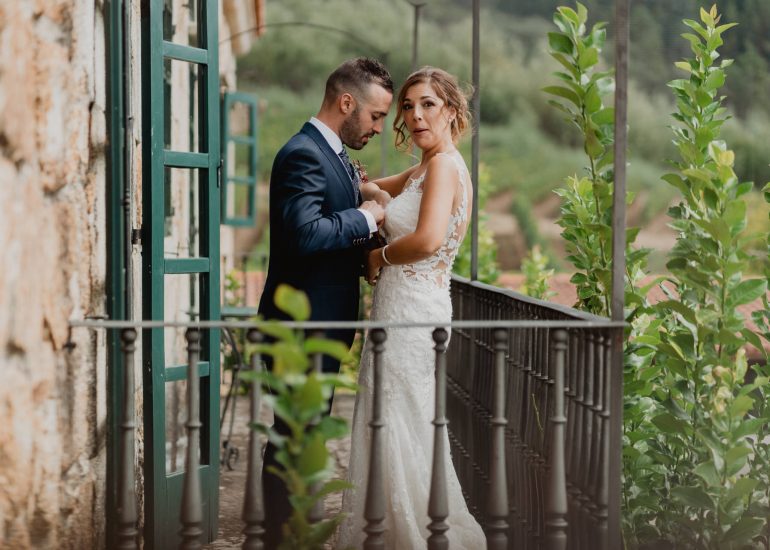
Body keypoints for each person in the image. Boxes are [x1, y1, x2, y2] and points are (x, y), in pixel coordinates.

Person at [337, 67, 486, 548]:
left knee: (399, 416)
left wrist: (376, 256)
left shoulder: (443, 167)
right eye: (407, 105)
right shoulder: (427, 167)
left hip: (412, 310)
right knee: (394, 414)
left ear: (451, 110)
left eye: (428, 104)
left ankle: (409, 535)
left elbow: (426, 240)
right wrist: (352, 178)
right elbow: (373, 188)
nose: (415, 115)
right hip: (400, 306)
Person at [257, 57, 394, 550]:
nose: (378, 128)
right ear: (346, 102)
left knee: (305, 438)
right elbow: (304, 235)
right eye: (376, 116)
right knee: (292, 440)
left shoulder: (330, 154)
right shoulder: (303, 154)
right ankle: (281, 539)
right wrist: (364, 217)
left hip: (323, 323)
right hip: (301, 327)